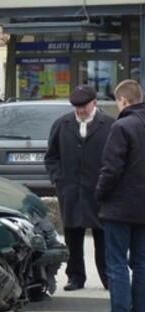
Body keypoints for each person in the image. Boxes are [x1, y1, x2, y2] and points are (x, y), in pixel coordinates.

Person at [88, 80, 145, 312]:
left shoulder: (121, 126)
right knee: (142, 264)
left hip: (120, 208)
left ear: (123, 100)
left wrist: (99, 195)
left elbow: (111, 169)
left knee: (117, 264)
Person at [45, 85, 114, 291]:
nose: (81, 111)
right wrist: (58, 178)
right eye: (77, 107)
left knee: (102, 236)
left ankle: (107, 277)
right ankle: (75, 277)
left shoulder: (110, 125)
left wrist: (109, 183)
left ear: (94, 103)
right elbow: (52, 157)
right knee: (73, 236)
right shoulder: (62, 124)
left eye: (84, 106)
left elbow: (116, 158)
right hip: (71, 190)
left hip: (100, 190)